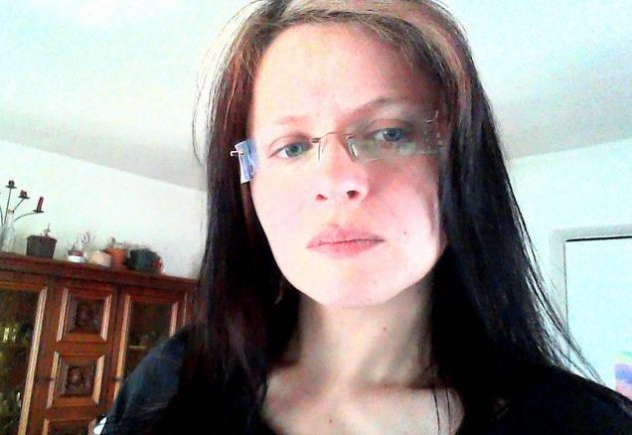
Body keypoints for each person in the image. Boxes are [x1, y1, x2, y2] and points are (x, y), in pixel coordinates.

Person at [100, 1, 632, 433]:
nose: (336, 180)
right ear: (246, 190)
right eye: (292, 146)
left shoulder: (585, 424)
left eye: (390, 133)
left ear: (463, 169)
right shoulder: (173, 382)